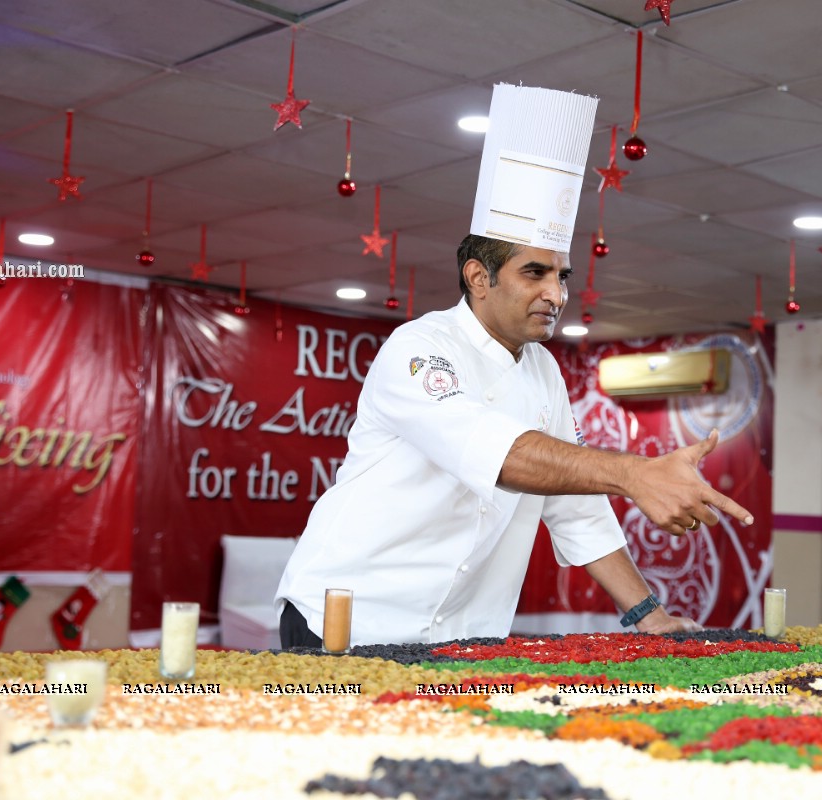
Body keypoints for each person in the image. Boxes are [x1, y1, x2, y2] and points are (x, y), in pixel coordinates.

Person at [275, 83, 751, 647]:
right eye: (535, 274)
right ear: (479, 278)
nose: (556, 294)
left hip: (460, 637)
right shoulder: (418, 348)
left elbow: (576, 510)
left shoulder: (543, 371)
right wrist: (635, 473)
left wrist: (649, 614)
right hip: (349, 620)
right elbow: (497, 453)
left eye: (562, 276)